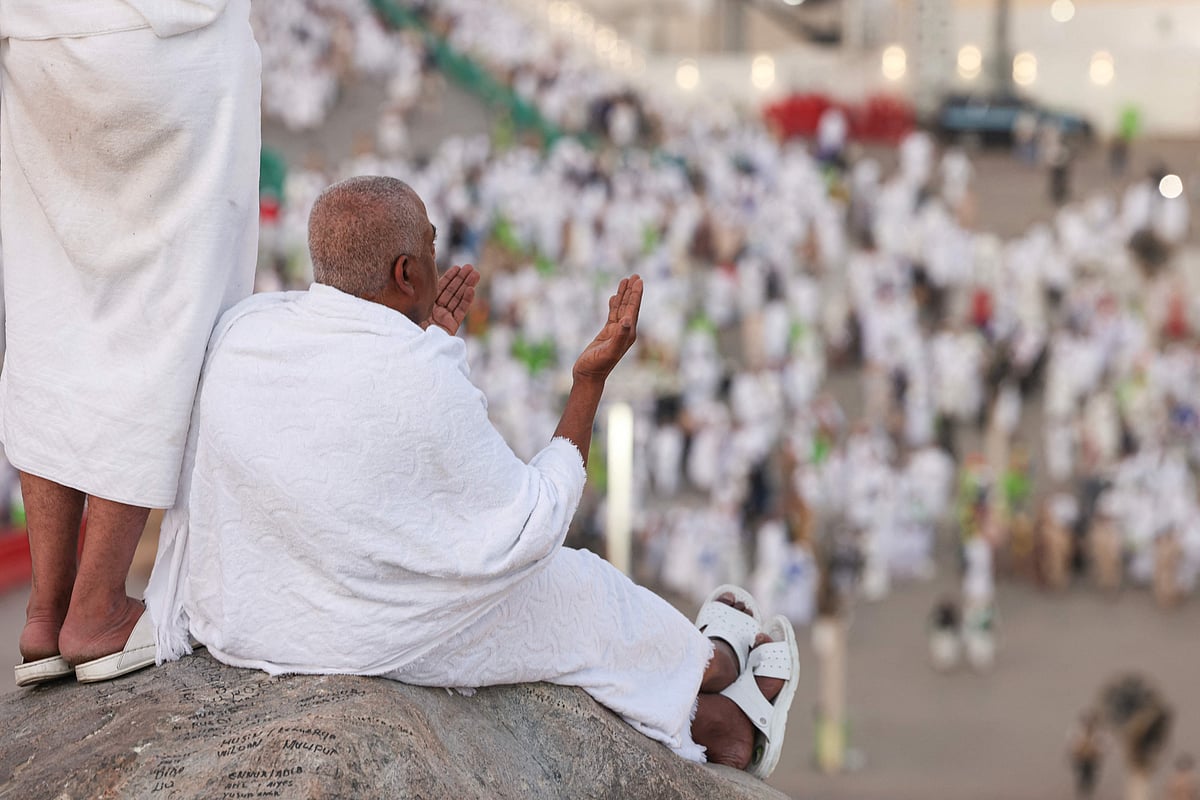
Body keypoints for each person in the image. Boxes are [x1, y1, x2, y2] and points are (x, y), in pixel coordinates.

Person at [145, 176, 800, 776]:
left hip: (251, 611)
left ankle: (712, 712)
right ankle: (714, 672)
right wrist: (588, 382)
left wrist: (421, 334)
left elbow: (347, 427)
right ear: (407, 271)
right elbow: (531, 527)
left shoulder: (246, 326)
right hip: (357, 630)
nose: (439, 253)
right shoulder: (419, 372)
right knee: (574, 586)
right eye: (430, 243)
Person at [6, 0, 261, 687]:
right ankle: (95, 607)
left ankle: (46, 608)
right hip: (170, 47)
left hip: (36, 42)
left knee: (49, 304)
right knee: (166, 312)